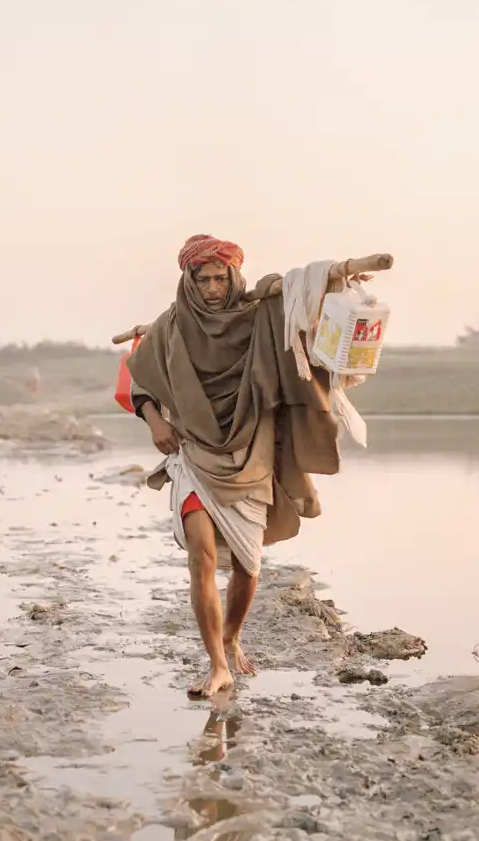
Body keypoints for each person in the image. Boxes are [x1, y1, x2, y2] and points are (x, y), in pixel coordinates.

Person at [127, 234, 345, 698]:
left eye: (218, 277)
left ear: (233, 276)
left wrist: (340, 280)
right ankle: (217, 664)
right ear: (188, 280)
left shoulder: (260, 317)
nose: (210, 287)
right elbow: (138, 379)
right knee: (201, 557)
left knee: (247, 565)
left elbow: (304, 299)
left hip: (250, 453)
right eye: (201, 278)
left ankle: (231, 634)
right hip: (194, 456)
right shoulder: (171, 326)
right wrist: (153, 422)